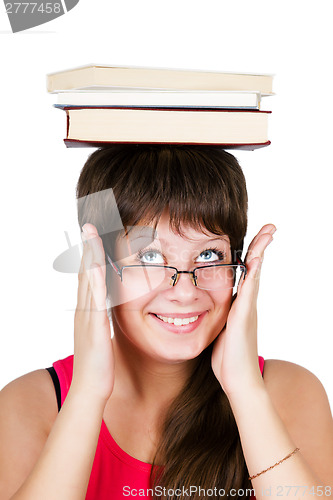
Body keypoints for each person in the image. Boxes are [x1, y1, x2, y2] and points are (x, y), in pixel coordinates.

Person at [0, 145, 332, 500]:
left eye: (209, 255)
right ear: (98, 268)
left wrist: (244, 389)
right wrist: (87, 394)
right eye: (150, 256)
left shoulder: (287, 390)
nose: (186, 291)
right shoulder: (32, 403)